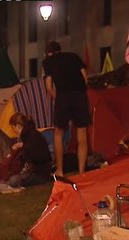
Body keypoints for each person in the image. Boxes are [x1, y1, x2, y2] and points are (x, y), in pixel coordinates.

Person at [42, 41, 91, 176]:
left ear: (48, 53)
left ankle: (60, 170)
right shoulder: (74, 57)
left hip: (63, 96)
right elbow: (85, 78)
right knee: (82, 134)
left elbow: (48, 86)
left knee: (58, 134)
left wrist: (56, 98)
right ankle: (82, 172)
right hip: (80, 95)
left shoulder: (48, 62)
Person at [7, 112, 52, 188]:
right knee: (11, 177)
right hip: (39, 171)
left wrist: (22, 150)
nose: (14, 131)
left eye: (13, 128)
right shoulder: (30, 135)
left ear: (18, 126)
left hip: (40, 173)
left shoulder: (31, 137)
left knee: (13, 180)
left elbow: (35, 157)